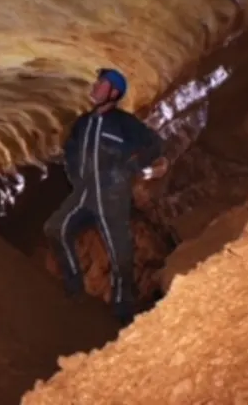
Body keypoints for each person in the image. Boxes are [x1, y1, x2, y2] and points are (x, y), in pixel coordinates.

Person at [44, 67, 167, 327]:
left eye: (101, 84)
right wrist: (75, 176)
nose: (95, 87)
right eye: (97, 83)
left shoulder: (124, 123)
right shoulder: (83, 123)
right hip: (85, 192)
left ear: (113, 93)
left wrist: (132, 168)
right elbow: (71, 151)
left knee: (120, 252)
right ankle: (74, 285)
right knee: (56, 228)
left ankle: (124, 311)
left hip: (112, 194)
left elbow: (154, 144)